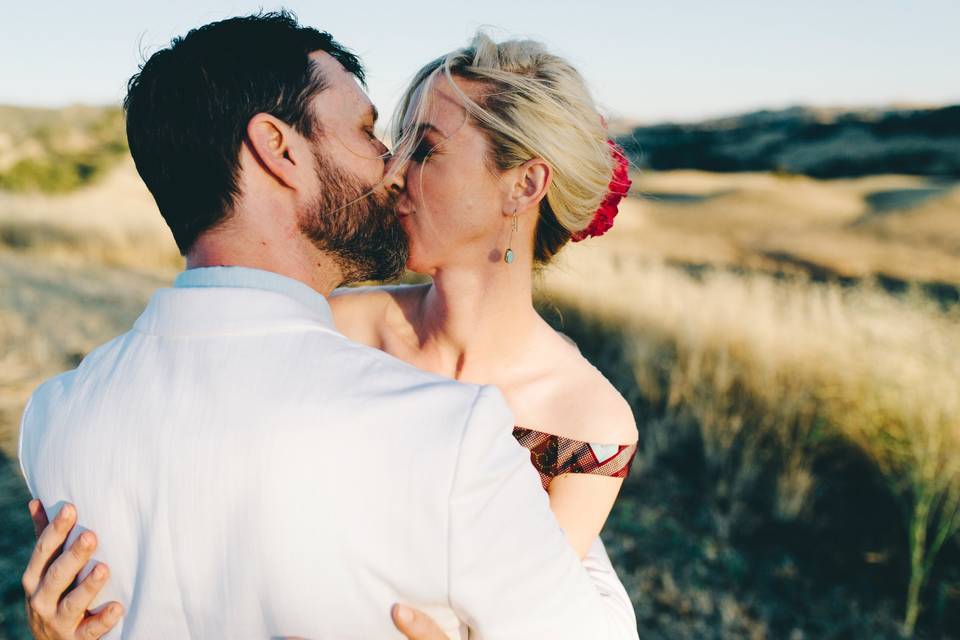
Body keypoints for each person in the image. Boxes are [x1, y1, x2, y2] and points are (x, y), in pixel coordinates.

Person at [18, 12, 639, 640]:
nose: (392, 169)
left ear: (525, 185)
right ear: (278, 150)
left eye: (422, 147)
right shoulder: (451, 434)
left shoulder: (49, 419)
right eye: (375, 134)